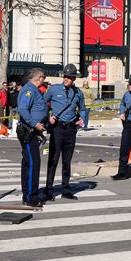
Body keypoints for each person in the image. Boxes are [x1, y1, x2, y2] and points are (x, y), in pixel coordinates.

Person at [44, 65, 87, 200]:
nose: (66, 79)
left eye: (69, 77)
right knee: (53, 159)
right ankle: (49, 189)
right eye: (65, 76)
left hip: (71, 129)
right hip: (57, 128)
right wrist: (47, 117)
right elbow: (42, 104)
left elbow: (83, 109)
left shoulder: (78, 92)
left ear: (74, 78)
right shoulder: (54, 89)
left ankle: (66, 189)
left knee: (67, 161)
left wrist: (83, 119)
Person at [15, 69, 49, 207]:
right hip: (29, 132)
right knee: (33, 164)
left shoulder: (34, 90)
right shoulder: (29, 90)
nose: (44, 80)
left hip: (33, 131)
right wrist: (35, 124)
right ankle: (30, 196)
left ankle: (28, 194)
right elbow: (22, 109)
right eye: (44, 77)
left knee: (28, 163)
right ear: (39, 77)